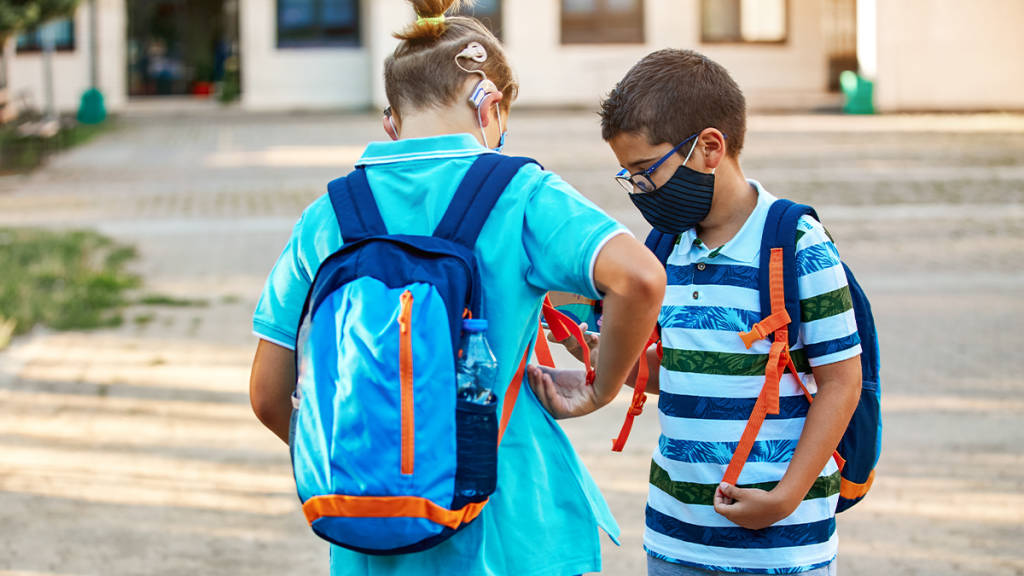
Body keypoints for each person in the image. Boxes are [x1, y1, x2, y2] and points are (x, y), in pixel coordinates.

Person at [247, 1, 666, 574]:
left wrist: (375, 464)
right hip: (513, 527)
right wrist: (601, 387)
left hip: (375, 535)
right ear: (490, 106)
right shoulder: (521, 193)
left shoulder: (328, 217)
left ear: (390, 119)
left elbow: (270, 397)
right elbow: (640, 278)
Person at [529, 49, 863, 575]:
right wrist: (604, 363)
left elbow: (842, 381)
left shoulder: (798, 243)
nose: (639, 190)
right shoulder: (665, 249)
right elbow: (686, 368)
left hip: (782, 547)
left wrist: (785, 497)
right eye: (628, 176)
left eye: (645, 171)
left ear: (710, 147)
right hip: (673, 540)